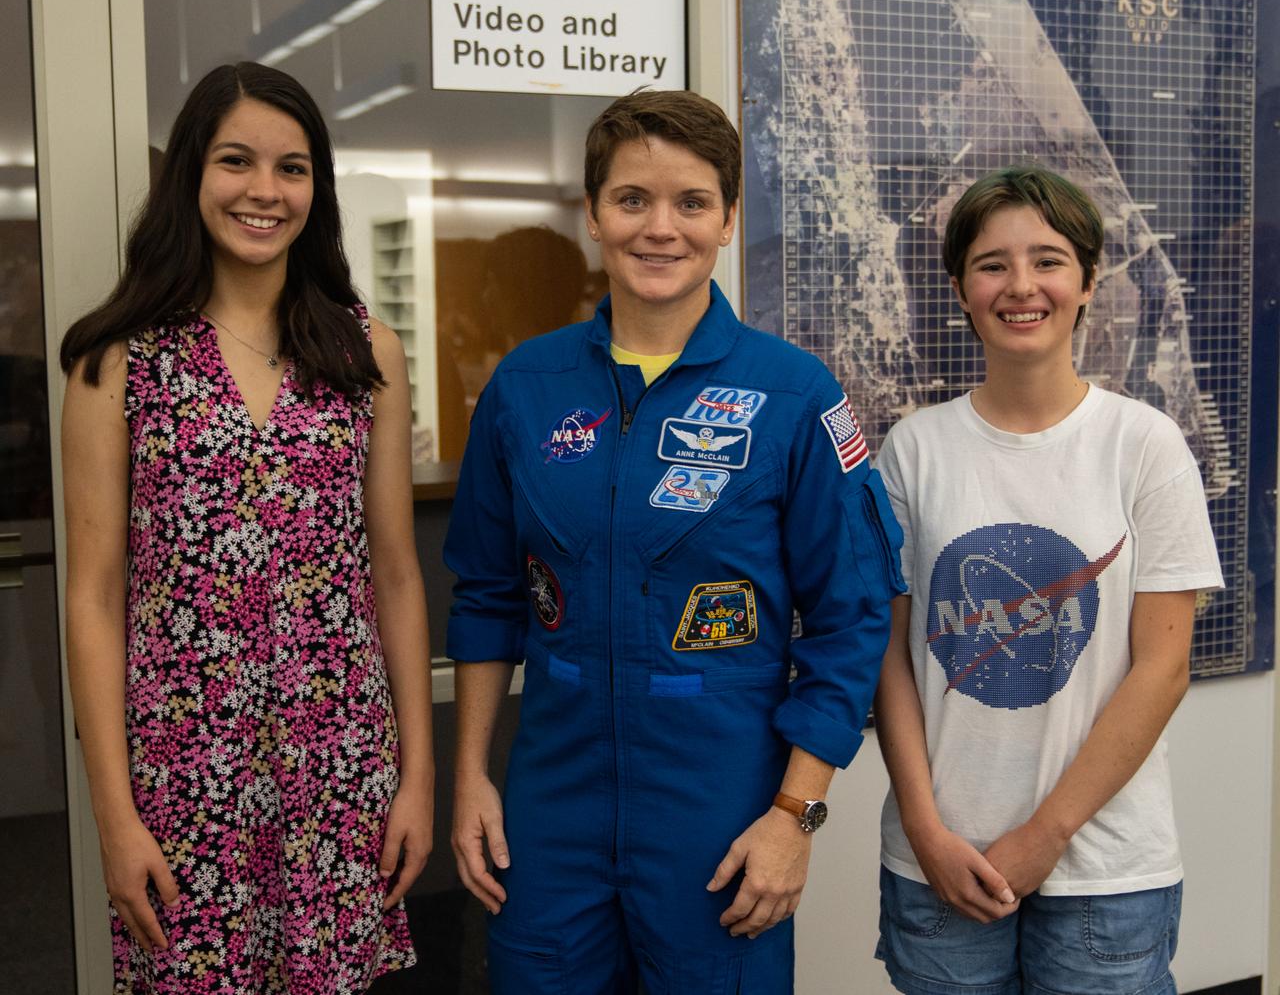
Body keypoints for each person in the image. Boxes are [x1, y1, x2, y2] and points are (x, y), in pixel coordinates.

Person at [445, 88, 902, 993]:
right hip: (554, 800)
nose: (661, 228)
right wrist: (471, 777)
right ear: (593, 215)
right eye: (632, 200)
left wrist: (794, 815)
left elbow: (852, 617)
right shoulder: (525, 388)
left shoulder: (793, 394)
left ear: (729, 218)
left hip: (722, 806)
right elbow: (489, 595)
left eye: (692, 202)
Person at [60, 62, 433, 993]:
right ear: (191, 174)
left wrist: (416, 776)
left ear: (319, 187)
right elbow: (94, 595)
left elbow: (395, 573)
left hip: (340, 763)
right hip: (187, 776)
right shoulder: (120, 362)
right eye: (237, 161)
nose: (265, 191)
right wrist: (114, 813)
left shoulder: (363, 351)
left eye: (293, 168)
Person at [873, 165, 1223, 994]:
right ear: (960, 286)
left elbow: (1162, 667)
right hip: (940, 865)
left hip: (1104, 871)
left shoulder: (1145, 445)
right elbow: (887, 657)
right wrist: (924, 827)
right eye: (993, 263)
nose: (1021, 285)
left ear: (1089, 279)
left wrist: (1045, 833)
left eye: (1049, 259)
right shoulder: (913, 450)